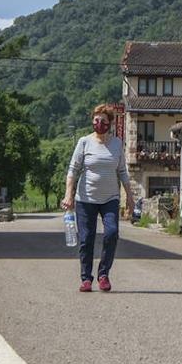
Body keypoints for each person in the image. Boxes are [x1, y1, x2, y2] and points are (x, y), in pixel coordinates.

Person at [61, 104, 134, 292]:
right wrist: (68, 195)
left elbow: (123, 172)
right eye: (96, 120)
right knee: (86, 239)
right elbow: (73, 170)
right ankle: (86, 279)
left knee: (111, 233)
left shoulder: (117, 144)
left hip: (110, 198)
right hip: (85, 200)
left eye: (103, 121)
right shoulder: (84, 142)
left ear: (109, 123)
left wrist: (130, 198)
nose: (99, 123)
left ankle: (103, 275)